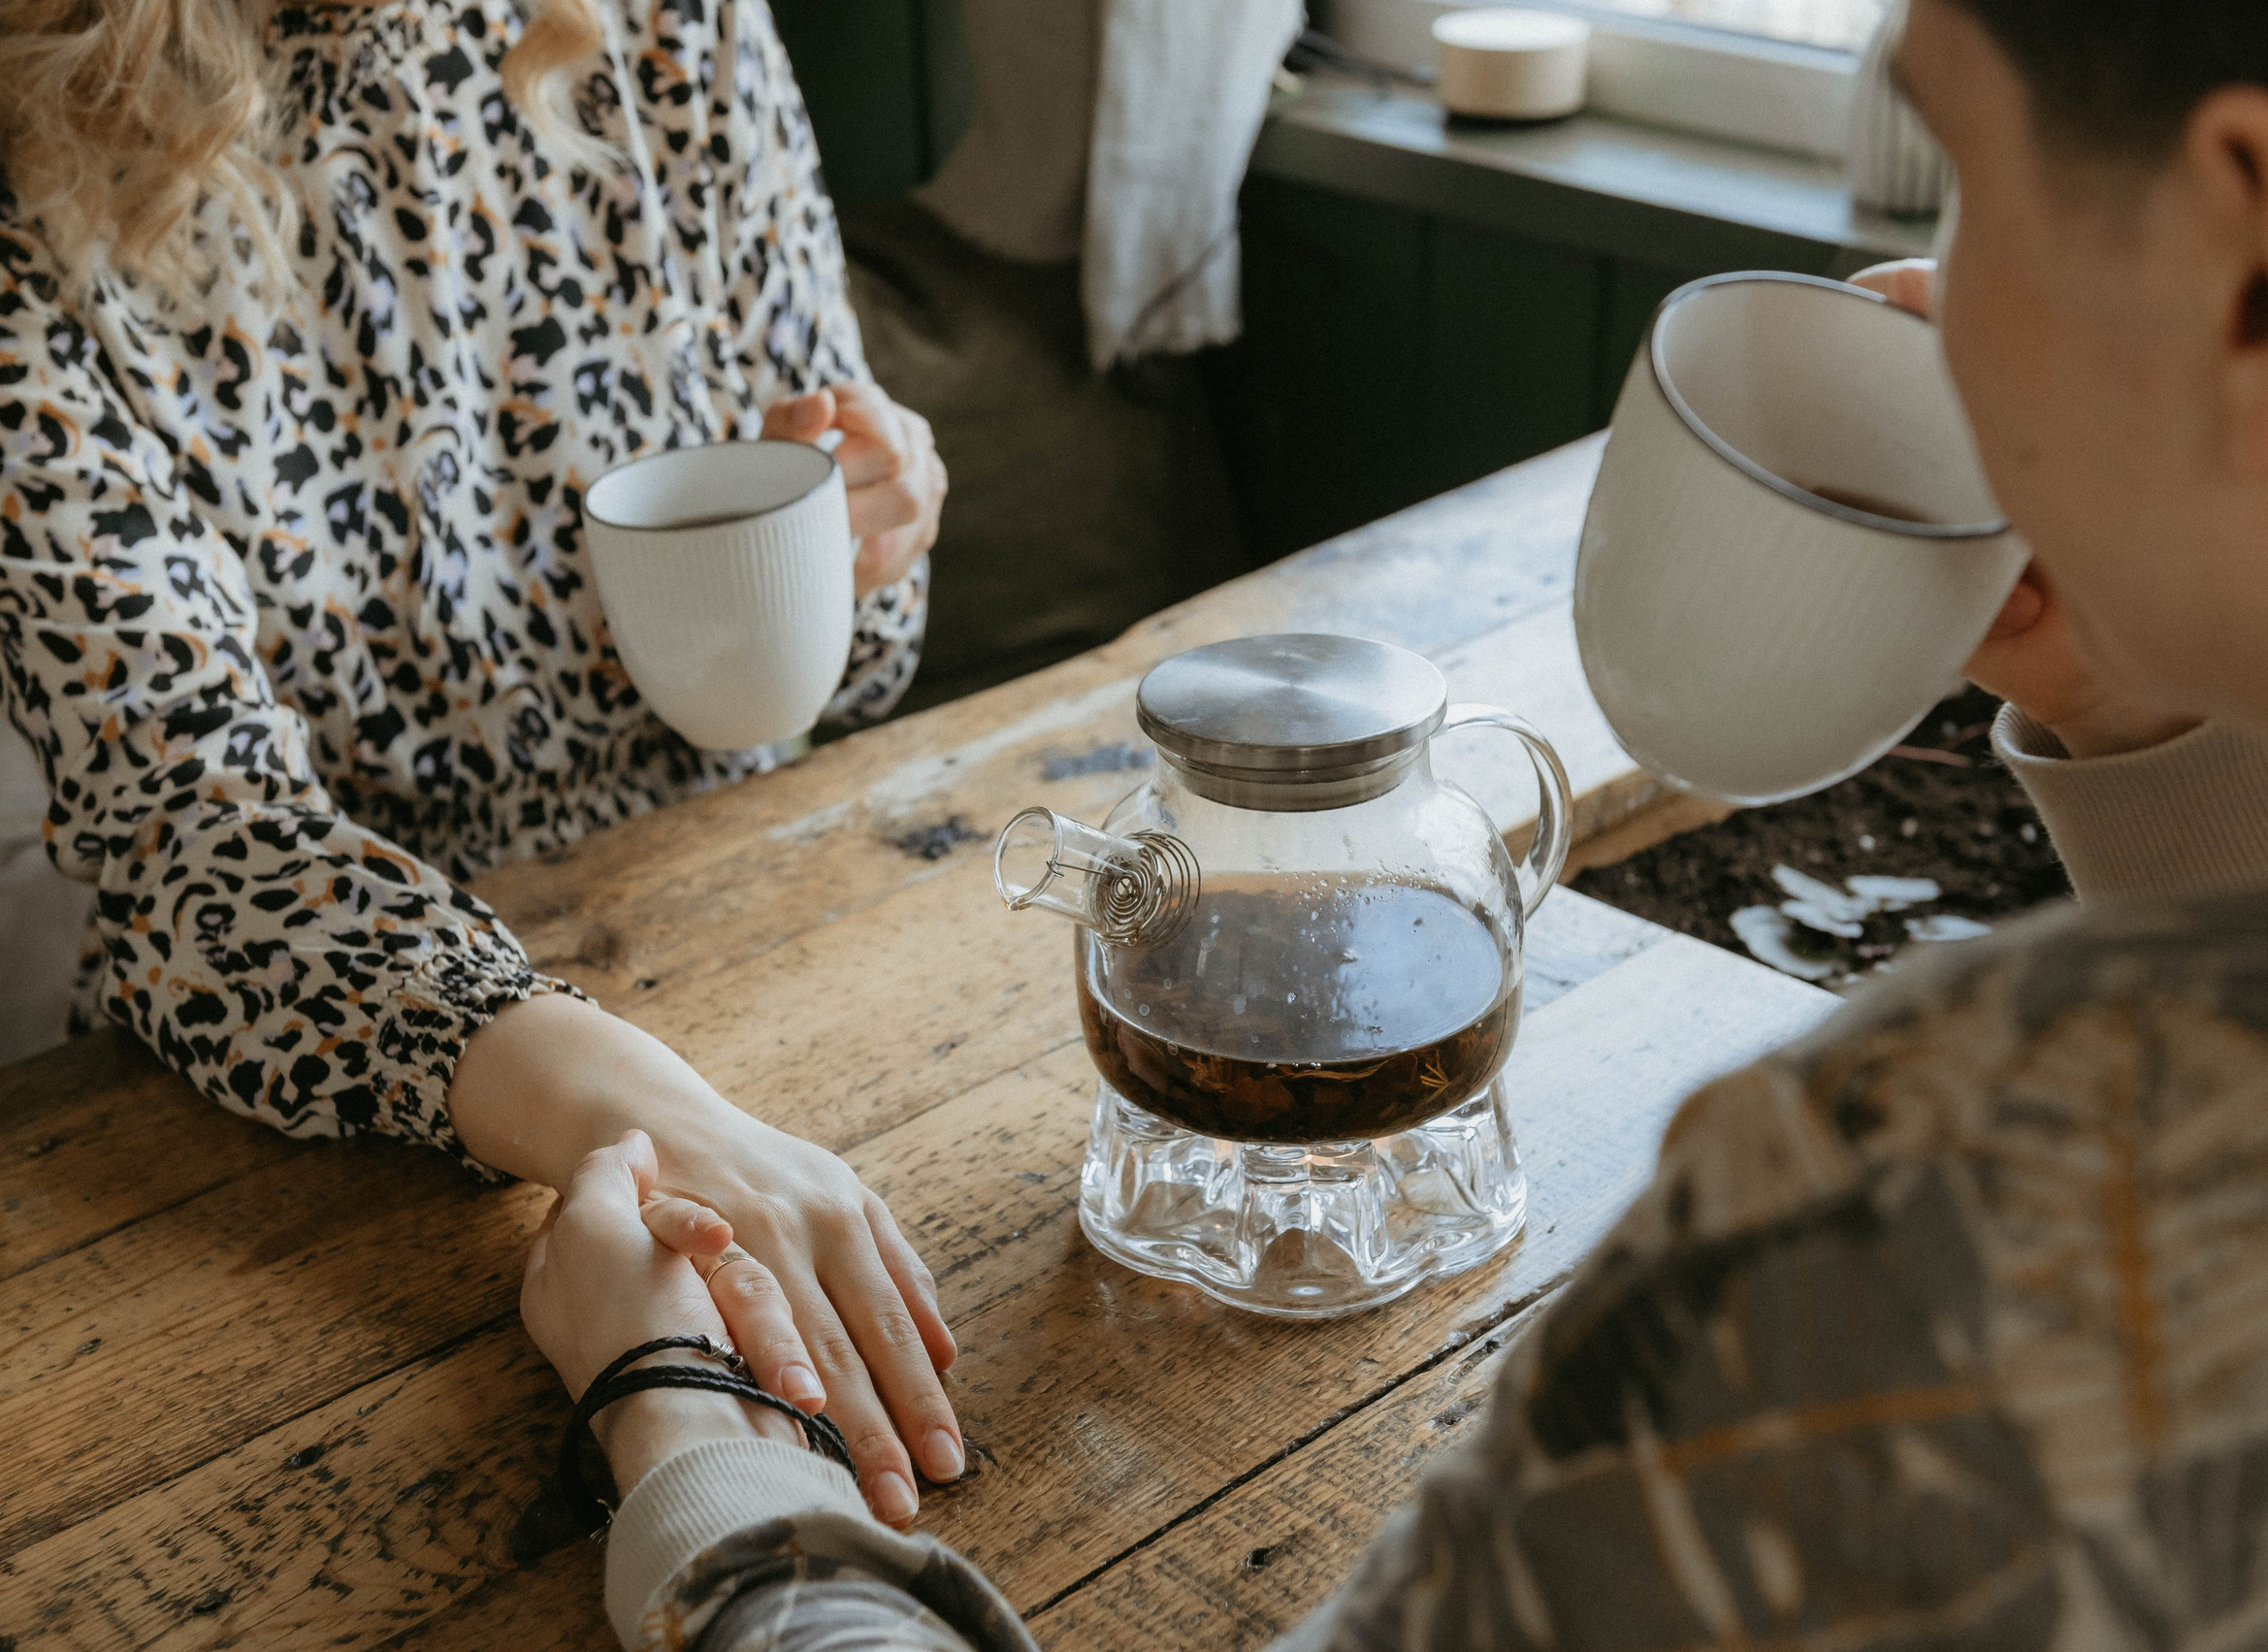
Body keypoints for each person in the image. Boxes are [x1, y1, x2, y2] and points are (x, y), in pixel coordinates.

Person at [518, 0, 2268, 1644]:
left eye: (1968, 182)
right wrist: (2137, 703)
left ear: (2242, 225)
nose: (1921, 303)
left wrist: (686, 1432)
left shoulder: (1957, 1188)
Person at [0, 0, 962, 1527]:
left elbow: (806, 688)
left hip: (750, 961)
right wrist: (647, 1109)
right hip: (303, 1130)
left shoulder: (677, 34)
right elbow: (187, 833)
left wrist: (870, 544)